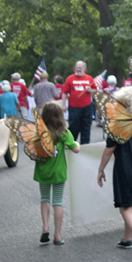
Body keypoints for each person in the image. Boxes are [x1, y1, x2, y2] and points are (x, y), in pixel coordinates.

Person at [96, 85, 132, 257]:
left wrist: (101, 169)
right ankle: (127, 238)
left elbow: (109, 149)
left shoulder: (118, 122)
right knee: (131, 202)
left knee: (124, 207)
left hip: (123, 167)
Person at [34, 102, 80, 245]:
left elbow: (34, 150)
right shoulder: (64, 133)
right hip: (59, 172)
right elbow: (76, 149)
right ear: (60, 116)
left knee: (45, 199)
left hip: (43, 171)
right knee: (58, 201)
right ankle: (58, 235)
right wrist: (74, 144)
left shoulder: (39, 132)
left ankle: (45, 227)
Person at [62, 61, 96, 144]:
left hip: (87, 107)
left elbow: (95, 90)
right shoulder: (70, 78)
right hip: (74, 107)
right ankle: (71, 145)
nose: (78, 69)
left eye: (80, 68)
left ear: (85, 69)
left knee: (86, 127)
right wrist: (63, 105)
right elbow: (64, 92)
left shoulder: (89, 78)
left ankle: (85, 146)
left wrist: (90, 90)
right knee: (73, 127)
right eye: (76, 68)